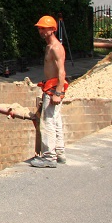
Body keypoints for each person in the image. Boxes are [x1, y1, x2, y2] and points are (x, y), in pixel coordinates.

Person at [30, 15, 67, 168]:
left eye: (44, 28)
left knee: (47, 122)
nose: (41, 31)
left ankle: (49, 157)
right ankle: (59, 152)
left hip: (53, 89)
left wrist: (57, 93)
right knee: (56, 120)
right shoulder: (48, 47)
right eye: (39, 28)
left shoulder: (56, 48)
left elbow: (62, 73)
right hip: (51, 87)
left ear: (52, 29)